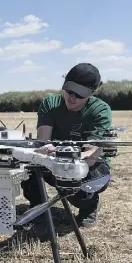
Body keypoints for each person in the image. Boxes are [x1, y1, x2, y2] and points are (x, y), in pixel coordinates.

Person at [21, 63, 113, 234]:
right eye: (69, 91)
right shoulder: (50, 103)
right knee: (29, 165)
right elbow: (43, 142)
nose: (72, 98)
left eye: (80, 95)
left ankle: (89, 205)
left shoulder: (100, 110)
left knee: (75, 177)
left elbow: (90, 155)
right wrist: (45, 150)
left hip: (91, 166)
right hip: (53, 160)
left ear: (92, 93)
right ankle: (38, 206)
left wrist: (67, 155)